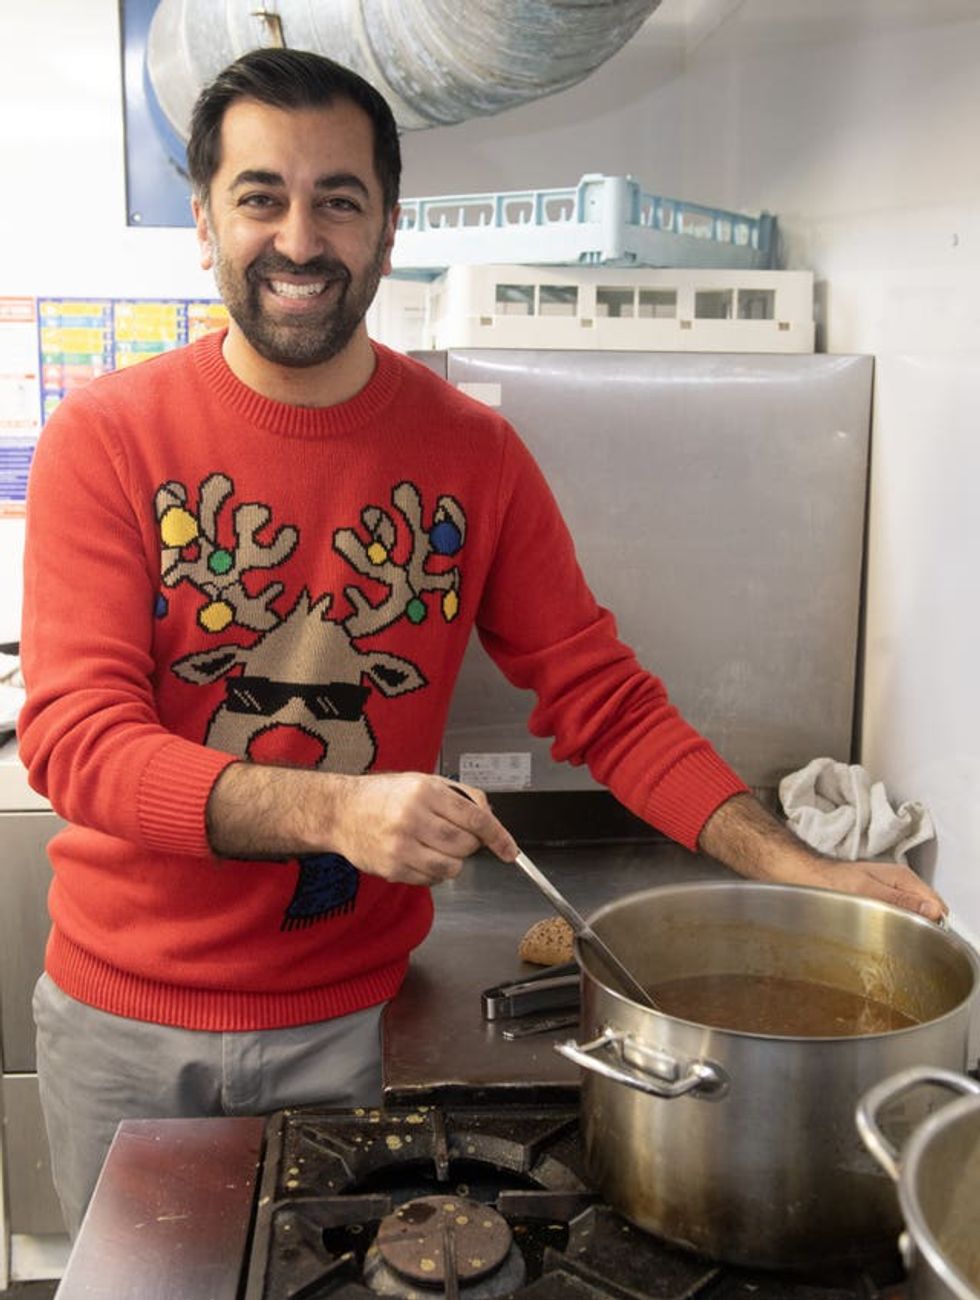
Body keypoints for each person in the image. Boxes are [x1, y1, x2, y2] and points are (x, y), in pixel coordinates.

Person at [17, 46, 944, 1238]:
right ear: (204, 222)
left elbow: (600, 695)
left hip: (359, 1026)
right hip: (125, 1030)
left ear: (388, 229)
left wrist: (794, 867)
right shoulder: (107, 437)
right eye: (260, 196)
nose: (299, 238)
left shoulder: (471, 456)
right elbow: (79, 743)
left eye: (337, 199)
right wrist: (338, 812)